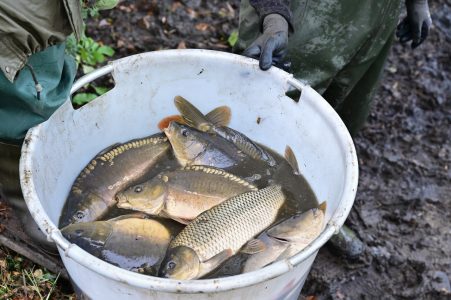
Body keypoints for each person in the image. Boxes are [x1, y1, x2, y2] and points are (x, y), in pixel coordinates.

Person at [236, 0, 432, 257]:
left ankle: (307, 216)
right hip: (301, 17)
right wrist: (274, 16)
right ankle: (241, 225)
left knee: (337, 119)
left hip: (377, 18)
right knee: (265, 117)